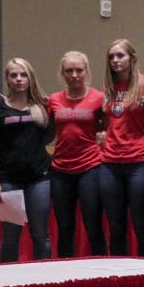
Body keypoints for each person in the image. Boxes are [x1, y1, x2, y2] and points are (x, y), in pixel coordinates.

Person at [0, 58, 53, 261]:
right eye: (14, 75)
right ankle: (9, 283)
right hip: (7, 179)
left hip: (39, 177)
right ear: (7, 79)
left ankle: (45, 282)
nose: (19, 79)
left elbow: (53, 135)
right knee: (11, 235)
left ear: (30, 78)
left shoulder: (43, 105)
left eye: (23, 75)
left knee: (41, 235)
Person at [99, 38, 144, 255]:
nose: (115, 60)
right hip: (110, 162)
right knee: (116, 225)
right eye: (111, 57)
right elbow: (107, 121)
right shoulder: (109, 86)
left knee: (141, 222)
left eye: (120, 55)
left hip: (140, 161)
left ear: (132, 58)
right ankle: (119, 272)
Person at [47, 51, 107, 256]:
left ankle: (101, 272)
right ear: (62, 73)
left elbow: (109, 126)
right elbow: (44, 131)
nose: (74, 75)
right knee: (65, 228)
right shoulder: (54, 100)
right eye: (69, 71)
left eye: (79, 70)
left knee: (93, 226)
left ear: (86, 71)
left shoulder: (99, 98)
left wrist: (103, 135)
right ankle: (67, 276)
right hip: (60, 170)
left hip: (90, 167)